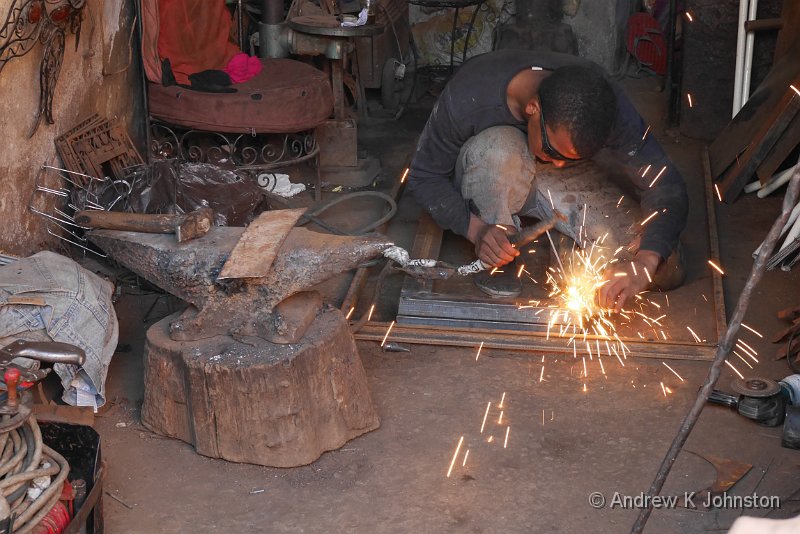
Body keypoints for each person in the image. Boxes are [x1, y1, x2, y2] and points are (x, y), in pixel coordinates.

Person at [407, 49, 688, 311]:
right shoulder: (470, 94)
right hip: (497, 168)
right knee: (496, 149)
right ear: (533, 108)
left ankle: (565, 246)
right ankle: (499, 244)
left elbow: (665, 185)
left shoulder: (602, 100)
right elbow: (424, 177)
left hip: (562, 184)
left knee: (664, 264)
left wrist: (645, 261)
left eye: (571, 156)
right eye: (554, 150)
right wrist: (476, 229)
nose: (558, 161)